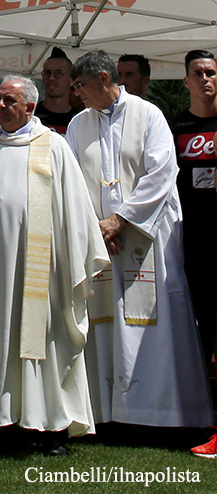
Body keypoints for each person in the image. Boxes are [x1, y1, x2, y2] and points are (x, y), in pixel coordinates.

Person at [0, 75, 109, 456]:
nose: (2, 106)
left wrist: (72, 258)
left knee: (43, 340)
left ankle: (49, 425)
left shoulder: (54, 146)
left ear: (30, 107)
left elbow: (74, 209)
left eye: (11, 101)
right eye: (1, 100)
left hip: (40, 269)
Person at [65, 50, 213, 430]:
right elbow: (73, 181)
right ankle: (107, 412)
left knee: (153, 325)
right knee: (106, 323)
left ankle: (158, 412)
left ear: (102, 78)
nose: (75, 93)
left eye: (80, 85)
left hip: (148, 240)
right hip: (102, 241)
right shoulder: (79, 124)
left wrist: (123, 220)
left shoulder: (149, 115)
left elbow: (162, 173)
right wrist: (96, 226)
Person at [170, 49, 217, 459]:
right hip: (191, 246)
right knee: (199, 336)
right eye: (198, 73)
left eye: (211, 72)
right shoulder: (176, 127)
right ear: (185, 81)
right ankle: (204, 418)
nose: (205, 79)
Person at [35, 47, 81, 135]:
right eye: (47, 73)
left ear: (72, 79)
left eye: (58, 73)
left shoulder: (79, 119)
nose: (51, 78)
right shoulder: (31, 116)